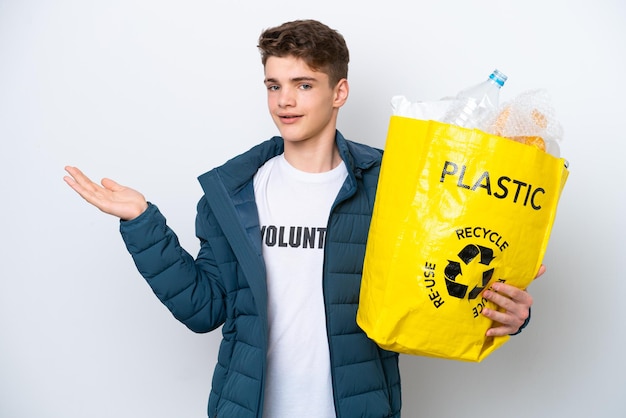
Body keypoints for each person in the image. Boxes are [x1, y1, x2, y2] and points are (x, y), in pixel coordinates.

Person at [64, 19, 541, 418]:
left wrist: (509, 309)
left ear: (340, 92)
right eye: (274, 85)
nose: (284, 100)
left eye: (303, 85)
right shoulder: (231, 194)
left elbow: (435, 284)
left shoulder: (394, 185)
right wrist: (143, 223)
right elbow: (204, 309)